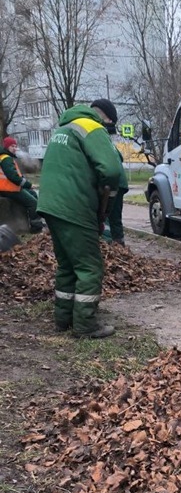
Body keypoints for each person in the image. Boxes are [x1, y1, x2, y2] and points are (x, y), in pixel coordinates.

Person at [37, 98, 123, 338]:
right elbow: (112, 170)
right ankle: (85, 325)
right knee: (89, 267)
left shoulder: (64, 128)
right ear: (106, 118)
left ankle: (63, 319)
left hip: (50, 205)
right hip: (73, 206)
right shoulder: (92, 127)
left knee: (67, 265)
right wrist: (104, 211)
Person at [94, 102, 129, 246]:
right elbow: (119, 157)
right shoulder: (107, 137)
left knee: (105, 216)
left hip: (111, 181)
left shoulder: (98, 134)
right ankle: (119, 246)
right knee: (115, 218)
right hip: (120, 181)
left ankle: (108, 247)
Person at [0, 136, 43, 233]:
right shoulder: (6, 159)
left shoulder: (6, 157)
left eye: (15, 146)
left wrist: (26, 184)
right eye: (12, 146)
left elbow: (16, 176)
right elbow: (13, 177)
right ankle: (36, 228)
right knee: (33, 203)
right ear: (6, 147)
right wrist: (28, 185)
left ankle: (36, 221)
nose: (15, 148)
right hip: (9, 189)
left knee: (33, 194)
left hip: (10, 187)